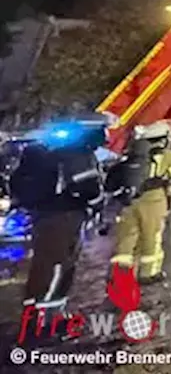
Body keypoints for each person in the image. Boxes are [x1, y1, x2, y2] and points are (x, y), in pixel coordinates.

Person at [11, 117, 107, 315]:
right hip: (65, 216)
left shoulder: (44, 154)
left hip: (42, 216)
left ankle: (36, 310)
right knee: (59, 265)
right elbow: (88, 188)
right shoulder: (78, 155)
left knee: (43, 263)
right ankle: (45, 317)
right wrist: (97, 205)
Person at [109, 121, 171, 284]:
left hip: (130, 201)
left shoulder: (132, 154)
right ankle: (148, 273)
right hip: (153, 200)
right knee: (152, 237)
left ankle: (118, 274)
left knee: (127, 238)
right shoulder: (167, 156)